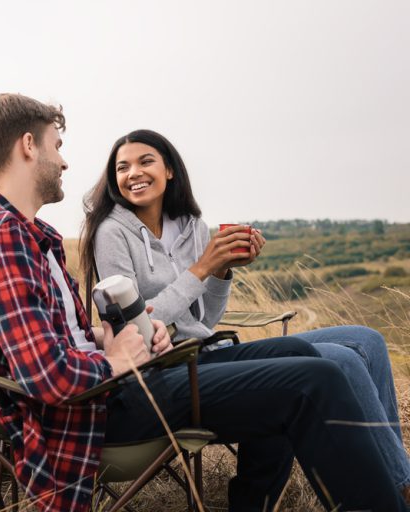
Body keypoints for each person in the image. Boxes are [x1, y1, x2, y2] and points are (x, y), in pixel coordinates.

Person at [0, 93, 408, 511]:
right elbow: (49, 375)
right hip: (99, 406)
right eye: (56, 146)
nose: (64, 160)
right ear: (28, 146)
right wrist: (117, 361)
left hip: (124, 381)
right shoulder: (2, 237)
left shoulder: (29, 235)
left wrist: (131, 336)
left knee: (298, 352)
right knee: (317, 379)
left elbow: (69, 338)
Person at [81, 128, 410, 504]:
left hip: (204, 349)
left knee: (367, 340)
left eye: (145, 161)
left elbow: (204, 320)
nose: (133, 173)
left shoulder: (192, 227)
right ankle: (400, 487)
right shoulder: (112, 233)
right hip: (168, 365)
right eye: (122, 167)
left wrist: (222, 272)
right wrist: (203, 268)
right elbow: (137, 321)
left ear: (169, 170)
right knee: (342, 359)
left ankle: (397, 473)